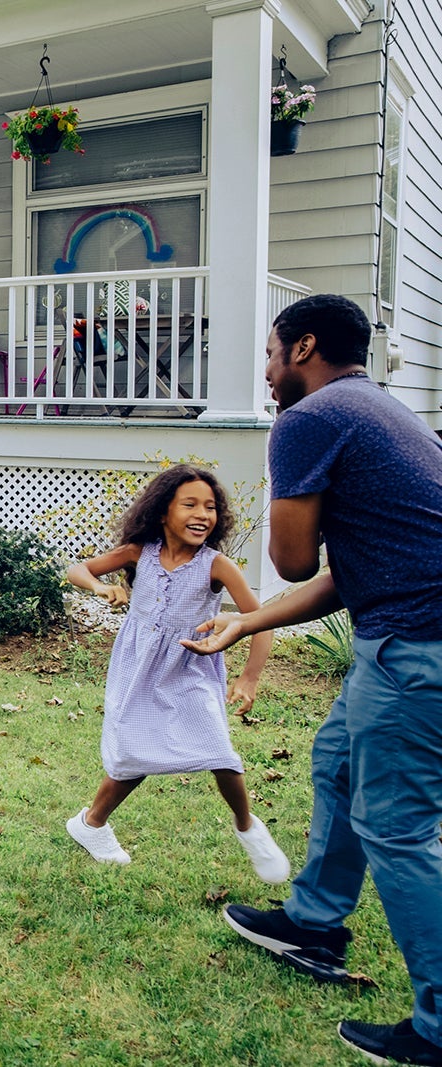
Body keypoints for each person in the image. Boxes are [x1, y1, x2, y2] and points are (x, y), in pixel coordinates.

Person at [183, 294, 442, 1065]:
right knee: (335, 763)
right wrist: (244, 623)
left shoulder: (310, 420)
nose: (264, 373)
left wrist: (280, 446)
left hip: (416, 648)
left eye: (269, 354)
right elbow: (346, 575)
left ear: (302, 348)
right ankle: (315, 921)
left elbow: (295, 561)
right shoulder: (381, 411)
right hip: (402, 635)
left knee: (396, 825)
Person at [63, 464, 288, 883]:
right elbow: (79, 570)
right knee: (134, 754)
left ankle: (247, 826)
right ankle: (91, 824)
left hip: (192, 667)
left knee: (220, 752)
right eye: (190, 504)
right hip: (139, 668)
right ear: (163, 511)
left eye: (211, 506)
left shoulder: (217, 566)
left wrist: (250, 677)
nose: (203, 513)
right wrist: (101, 587)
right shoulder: (138, 552)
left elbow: (262, 620)